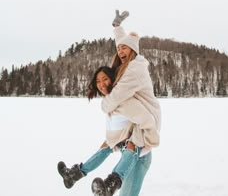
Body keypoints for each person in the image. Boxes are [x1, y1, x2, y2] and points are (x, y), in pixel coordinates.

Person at [91, 10, 161, 196]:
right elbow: (125, 43)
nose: (120, 51)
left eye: (124, 48)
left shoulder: (135, 69)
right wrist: (117, 28)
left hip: (142, 146)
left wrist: (104, 105)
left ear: (133, 51)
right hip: (135, 143)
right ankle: (110, 183)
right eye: (118, 48)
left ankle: (111, 184)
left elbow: (116, 97)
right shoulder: (131, 60)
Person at [57, 65, 158, 194]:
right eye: (98, 81)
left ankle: (111, 184)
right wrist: (112, 144)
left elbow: (147, 119)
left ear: (112, 79)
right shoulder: (110, 102)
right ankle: (74, 175)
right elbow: (117, 132)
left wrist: (149, 142)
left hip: (139, 156)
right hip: (127, 151)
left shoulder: (125, 99)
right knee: (106, 145)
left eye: (105, 79)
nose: (101, 84)